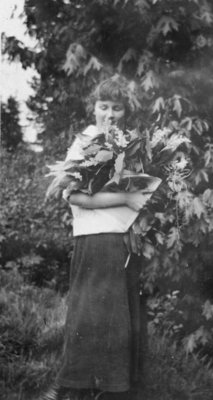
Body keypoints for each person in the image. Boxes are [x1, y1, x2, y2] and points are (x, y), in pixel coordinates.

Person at [42, 77, 149, 400]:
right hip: (93, 238)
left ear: (126, 111)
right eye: (104, 107)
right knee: (87, 312)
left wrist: (137, 210)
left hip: (122, 240)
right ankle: (70, 384)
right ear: (94, 108)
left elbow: (144, 190)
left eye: (117, 108)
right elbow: (74, 196)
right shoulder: (86, 142)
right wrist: (126, 200)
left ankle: (114, 386)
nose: (110, 114)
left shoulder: (132, 143)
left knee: (119, 315)